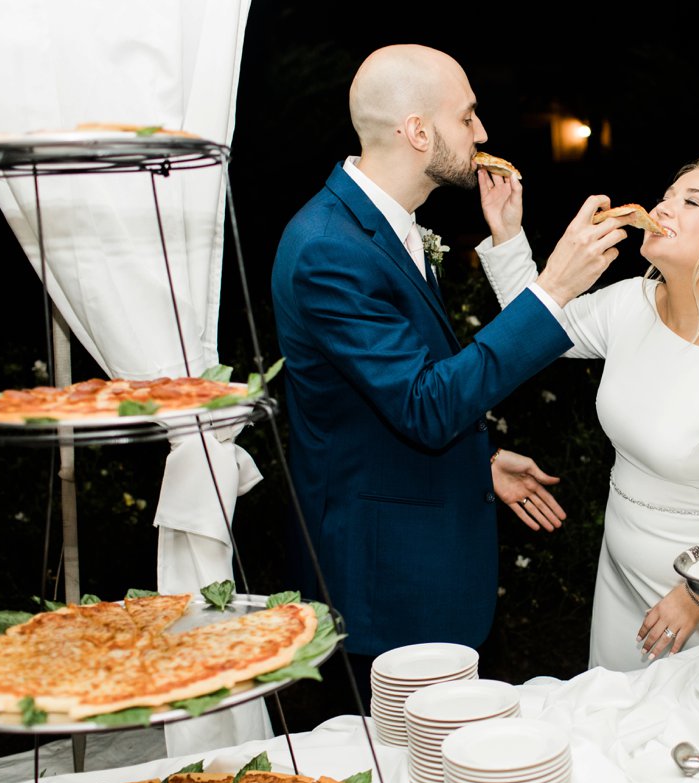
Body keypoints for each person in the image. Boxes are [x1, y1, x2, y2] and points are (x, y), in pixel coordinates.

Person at [269, 44, 631, 699]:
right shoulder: (329, 249)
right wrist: (551, 291)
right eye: (467, 117)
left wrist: (480, 461)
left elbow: (387, 394)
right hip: (381, 589)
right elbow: (425, 406)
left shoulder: (387, 226)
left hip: (422, 567)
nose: (482, 133)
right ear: (416, 131)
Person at [477, 155, 699, 671]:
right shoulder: (630, 303)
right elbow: (532, 327)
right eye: (669, 193)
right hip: (618, 573)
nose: (665, 205)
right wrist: (507, 231)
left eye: (692, 201)